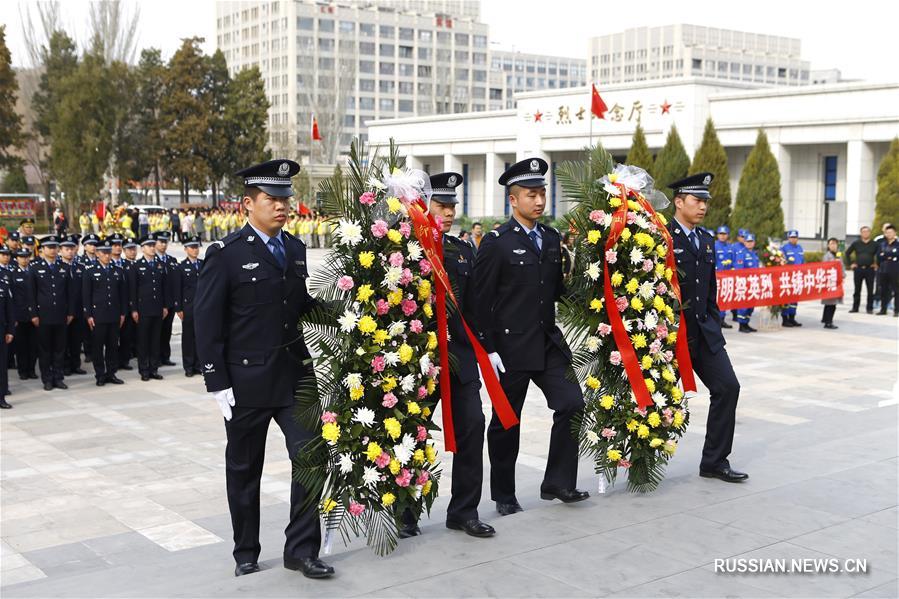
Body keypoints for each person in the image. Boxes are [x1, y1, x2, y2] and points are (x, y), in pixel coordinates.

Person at [194, 159, 333, 579]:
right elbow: (206, 319)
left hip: (294, 377)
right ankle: (245, 552)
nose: (281, 206)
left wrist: (341, 316)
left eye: (285, 199)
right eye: (272, 199)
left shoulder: (293, 248)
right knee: (244, 469)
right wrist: (216, 381)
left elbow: (299, 306)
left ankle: (301, 549)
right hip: (246, 382)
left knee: (312, 457)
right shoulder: (226, 255)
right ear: (247, 204)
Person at [474, 157, 589, 516]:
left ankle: (557, 481)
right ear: (513, 199)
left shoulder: (552, 238)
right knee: (508, 421)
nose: (539, 201)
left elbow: (558, 291)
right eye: (530, 194)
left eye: (541, 193)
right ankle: (504, 494)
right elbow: (479, 300)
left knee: (572, 404)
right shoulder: (497, 242)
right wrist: (488, 348)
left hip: (547, 343)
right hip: (509, 348)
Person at [399, 172, 496, 540]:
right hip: (418, 358)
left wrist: (486, 348)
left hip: (458, 355)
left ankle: (464, 510)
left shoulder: (462, 249)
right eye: (441, 205)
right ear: (423, 205)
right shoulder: (405, 249)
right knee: (413, 432)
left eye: (453, 205)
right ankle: (405, 511)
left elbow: (474, 307)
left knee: (473, 425)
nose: (449, 212)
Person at [668, 172, 747, 483]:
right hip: (670, 336)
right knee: (653, 399)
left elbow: (709, 289)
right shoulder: (661, 236)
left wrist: (713, 322)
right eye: (696, 201)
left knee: (728, 387)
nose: (702, 207)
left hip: (704, 332)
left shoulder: (706, 240)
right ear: (678, 202)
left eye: (705, 202)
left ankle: (714, 461)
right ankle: (636, 463)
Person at [29, 235, 73, 391]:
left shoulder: (64, 267)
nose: (53, 250)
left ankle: (58, 377)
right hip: (43, 316)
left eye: (55, 247)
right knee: (45, 349)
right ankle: (47, 379)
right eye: (50, 247)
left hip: (61, 315)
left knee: (60, 349)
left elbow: (69, 293)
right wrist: (34, 314)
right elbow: (31, 294)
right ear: (42, 250)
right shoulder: (34, 268)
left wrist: (70, 312)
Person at [83, 240, 126, 385]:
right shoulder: (90, 271)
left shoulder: (117, 270)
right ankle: (100, 374)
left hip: (114, 314)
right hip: (98, 315)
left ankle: (111, 373)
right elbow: (86, 295)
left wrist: (122, 313)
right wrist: (88, 315)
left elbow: (122, 294)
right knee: (98, 346)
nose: (107, 256)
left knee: (113, 346)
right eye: (103, 253)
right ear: (97, 254)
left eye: (108, 252)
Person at [128, 236, 167, 381]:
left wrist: (164, 306)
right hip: (143, 309)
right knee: (143, 341)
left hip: (157, 308)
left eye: (153, 245)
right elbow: (133, 290)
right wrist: (134, 309)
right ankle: (144, 369)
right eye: (148, 245)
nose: (152, 247)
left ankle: (154, 368)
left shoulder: (160, 265)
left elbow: (163, 287)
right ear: (142, 248)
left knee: (155, 340)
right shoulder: (136, 266)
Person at [173, 235, 203, 377]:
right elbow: (177, 288)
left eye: (196, 247)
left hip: (203, 307)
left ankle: (199, 364)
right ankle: (189, 366)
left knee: (201, 336)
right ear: (185, 249)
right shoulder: (181, 267)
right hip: (188, 307)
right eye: (192, 247)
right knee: (188, 338)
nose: (195, 250)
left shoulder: (204, 264)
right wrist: (178, 307)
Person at [59, 235, 88, 376]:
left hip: (78, 310)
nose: (70, 252)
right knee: (63, 340)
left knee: (76, 340)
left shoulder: (81, 268)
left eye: (72, 249)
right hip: (63, 311)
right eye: (66, 249)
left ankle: (76, 364)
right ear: (61, 251)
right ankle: (64, 365)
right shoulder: (57, 268)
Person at [11, 249, 37, 380]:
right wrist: (13, 316)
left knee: (33, 345)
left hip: (34, 315)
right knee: (21, 345)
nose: (25, 259)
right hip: (20, 315)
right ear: (17, 259)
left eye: (27, 257)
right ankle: (23, 370)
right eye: (22, 257)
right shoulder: (13, 274)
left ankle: (31, 369)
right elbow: (12, 298)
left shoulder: (34, 271)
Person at [154, 232, 178, 367]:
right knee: (157, 332)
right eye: (160, 242)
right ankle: (156, 358)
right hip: (158, 303)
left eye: (165, 242)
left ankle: (165, 356)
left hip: (170, 302)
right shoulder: (153, 261)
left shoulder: (171, 260)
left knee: (167, 331)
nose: (163, 245)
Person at [116, 238, 138, 371]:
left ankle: (124, 360)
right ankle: (116, 360)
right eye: (129, 249)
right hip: (120, 306)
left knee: (127, 335)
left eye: (134, 248)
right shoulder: (121, 266)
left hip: (132, 306)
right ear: (124, 251)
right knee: (117, 336)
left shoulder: (135, 265)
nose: (132, 251)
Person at [733, 233, 759, 333]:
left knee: (751, 305)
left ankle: (746, 323)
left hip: (754, 283)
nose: (749, 243)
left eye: (751, 241)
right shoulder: (741, 253)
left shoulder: (755, 254)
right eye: (747, 241)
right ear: (744, 242)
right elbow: (739, 270)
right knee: (743, 305)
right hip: (744, 283)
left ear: (754, 242)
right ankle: (741, 325)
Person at [781, 229, 804, 327]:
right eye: (791, 237)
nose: (793, 239)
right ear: (788, 238)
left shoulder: (800, 248)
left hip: (797, 276)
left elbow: (803, 262)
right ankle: (785, 319)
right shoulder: (784, 248)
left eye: (795, 237)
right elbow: (781, 262)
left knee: (795, 298)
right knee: (786, 298)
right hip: (787, 277)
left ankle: (792, 318)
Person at [714, 225, 734, 329]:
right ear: (717, 235)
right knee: (717, 299)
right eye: (720, 234)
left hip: (728, 277)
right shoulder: (714, 245)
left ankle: (722, 319)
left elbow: (734, 260)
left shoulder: (730, 247)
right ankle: (716, 319)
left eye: (724, 234)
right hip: (717, 276)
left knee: (725, 298)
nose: (722, 236)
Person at [876, 224, 899, 316]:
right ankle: (883, 309)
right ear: (885, 234)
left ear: (895, 233)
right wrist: (890, 256)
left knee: (896, 290)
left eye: (891, 232)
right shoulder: (882, 244)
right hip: (883, 270)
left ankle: (896, 310)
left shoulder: (897, 244)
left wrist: (886, 255)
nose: (889, 234)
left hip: (895, 270)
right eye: (887, 232)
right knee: (883, 290)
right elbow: (879, 256)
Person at [821, 238, 842, 329]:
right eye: (831, 244)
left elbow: (842, 266)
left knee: (832, 303)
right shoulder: (827, 256)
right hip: (830, 282)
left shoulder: (838, 255)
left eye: (835, 244)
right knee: (830, 303)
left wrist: (843, 275)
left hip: (837, 281)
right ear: (828, 246)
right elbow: (824, 268)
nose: (833, 245)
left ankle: (826, 319)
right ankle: (828, 322)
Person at [0, 269, 13, 409]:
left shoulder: (3, 285)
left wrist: (10, 330)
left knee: (1, 366)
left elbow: (10, 309)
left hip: (1, 331)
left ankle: (1, 396)